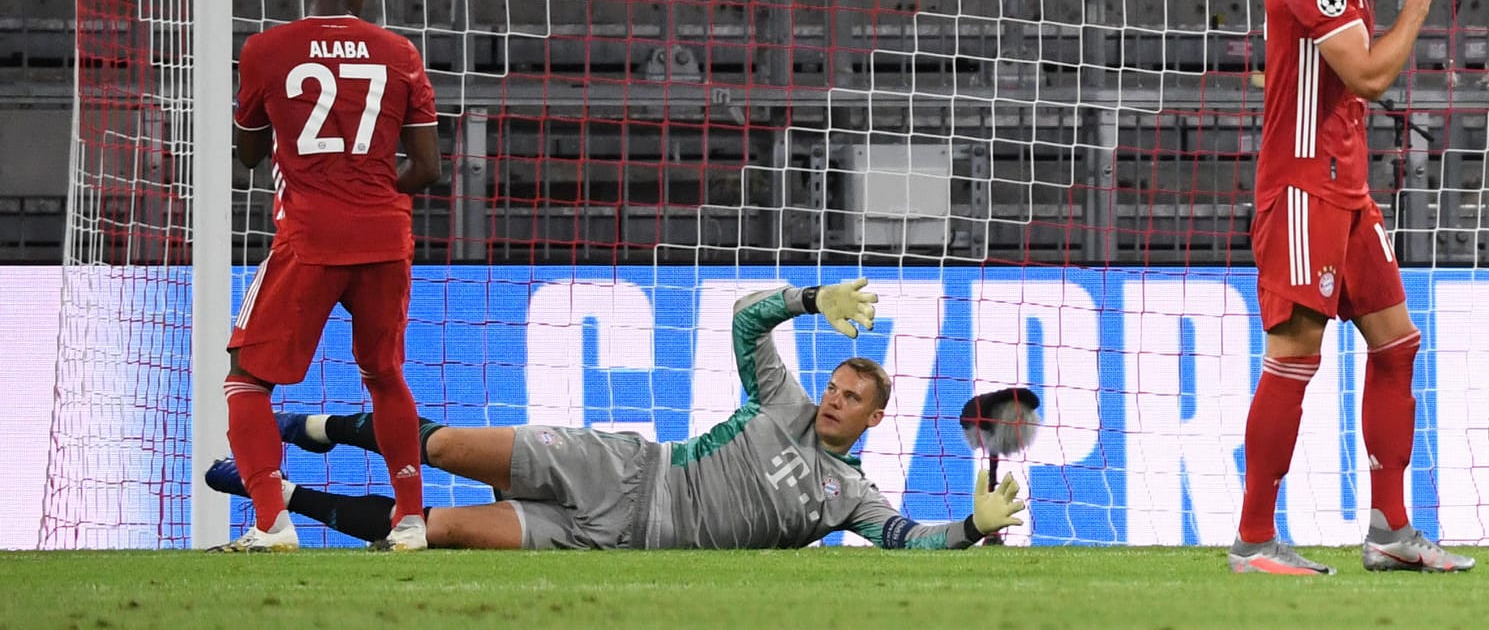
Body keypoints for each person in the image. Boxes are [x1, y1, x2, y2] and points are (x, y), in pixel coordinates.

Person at [205, 279, 1028, 551]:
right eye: (836, 386)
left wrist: (971, 527)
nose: (835, 400)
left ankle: (272, 496)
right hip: (622, 467)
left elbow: (906, 539)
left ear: (875, 421)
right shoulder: (782, 400)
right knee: (449, 444)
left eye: (853, 399)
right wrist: (810, 300)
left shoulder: (851, 497)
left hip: (624, 537)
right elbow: (745, 319)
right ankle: (294, 431)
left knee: (434, 530)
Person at [1232, 0, 1473, 575]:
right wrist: (1421, 4)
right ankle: (1252, 540)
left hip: (1347, 191)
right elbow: (1368, 75)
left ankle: (1391, 529)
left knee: (1397, 344)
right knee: (1296, 356)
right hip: (1303, 190)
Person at [218, 0, 443, 552]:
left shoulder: (266, 50)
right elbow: (428, 169)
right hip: (383, 237)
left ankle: (271, 522)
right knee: (386, 374)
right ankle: (411, 521)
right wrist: (369, 194)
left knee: (246, 381)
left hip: (311, 237)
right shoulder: (399, 53)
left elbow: (249, 153)